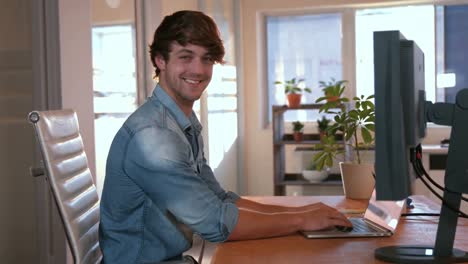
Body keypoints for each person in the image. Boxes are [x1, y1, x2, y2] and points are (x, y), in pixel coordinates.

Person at [99, 10, 351, 264]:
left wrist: (301, 212)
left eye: (207, 59)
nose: (198, 70)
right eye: (186, 57)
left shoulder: (181, 124)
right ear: (160, 60)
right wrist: (301, 220)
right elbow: (216, 223)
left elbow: (221, 201)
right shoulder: (154, 137)